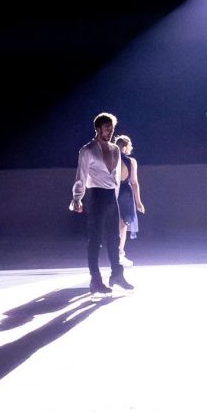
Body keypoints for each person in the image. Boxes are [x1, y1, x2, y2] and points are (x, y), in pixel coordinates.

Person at [70, 112, 134, 294]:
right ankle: (95, 279)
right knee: (95, 240)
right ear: (98, 129)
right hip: (96, 196)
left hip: (110, 198)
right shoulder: (87, 150)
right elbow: (80, 176)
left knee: (114, 238)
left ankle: (117, 274)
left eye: (112, 128)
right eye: (106, 128)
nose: (110, 131)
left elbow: (115, 179)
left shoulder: (115, 150)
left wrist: (116, 200)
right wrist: (77, 198)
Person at [115, 135, 145, 267]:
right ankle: (119, 254)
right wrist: (138, 202)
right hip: (124, 193)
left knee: (115, 224)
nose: (131, 148)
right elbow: (134, 183)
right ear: (125, 147)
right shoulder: (131, 161)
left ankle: (116, 254)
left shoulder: (110, 158)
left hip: (111, 192)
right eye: (130, 145)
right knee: (122, 225)